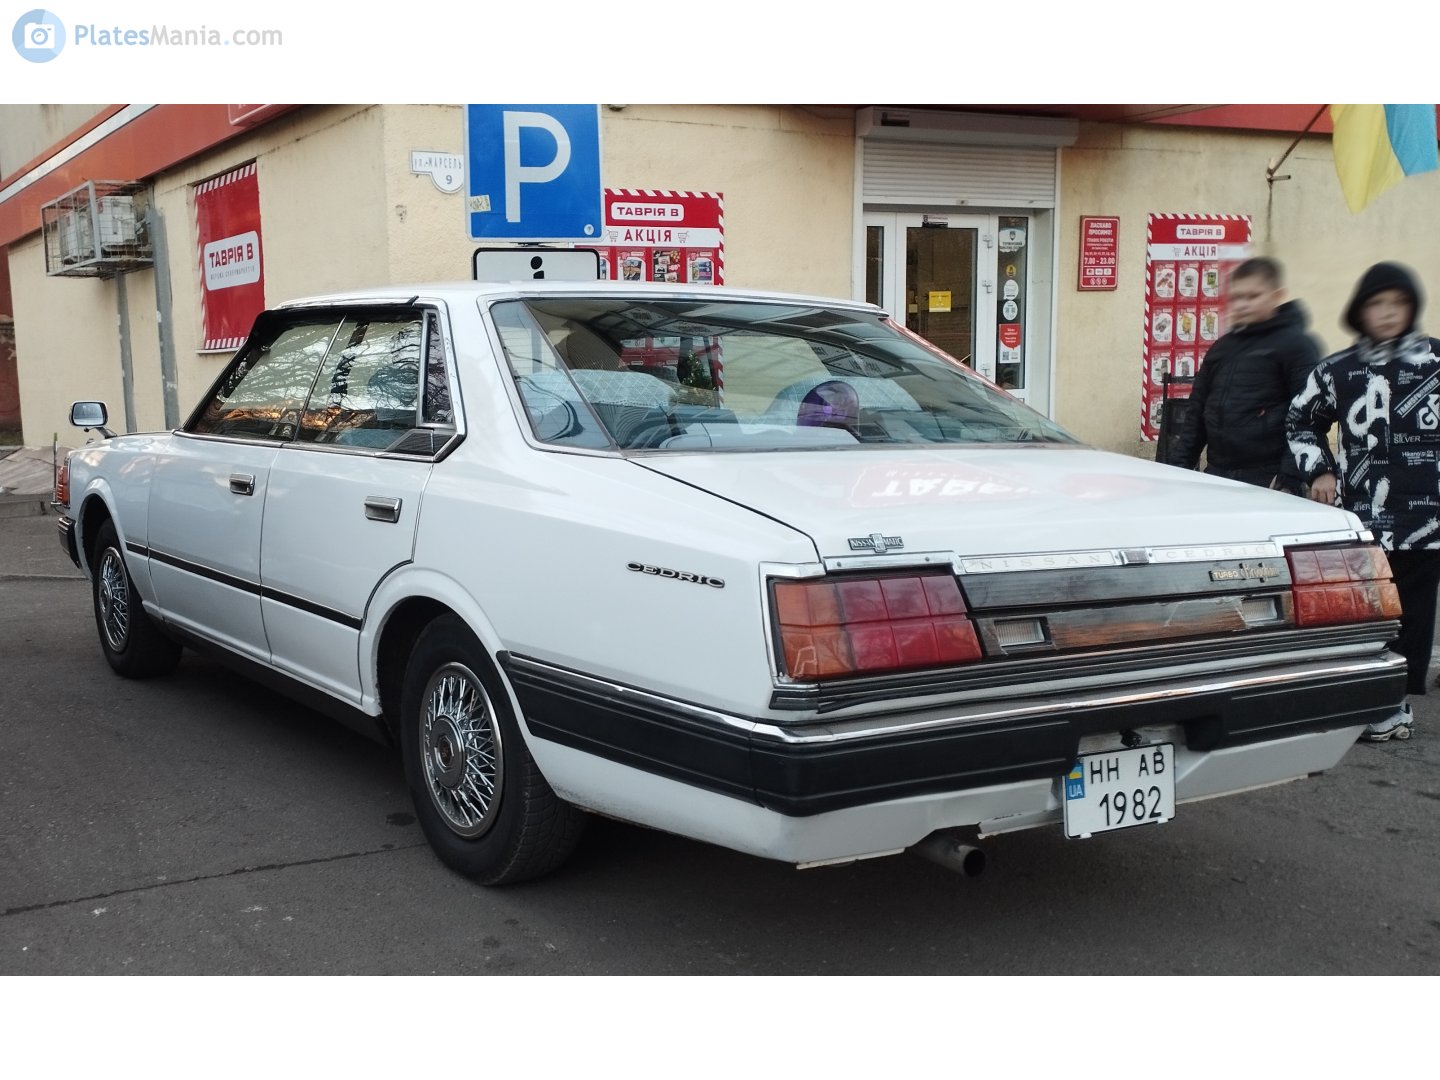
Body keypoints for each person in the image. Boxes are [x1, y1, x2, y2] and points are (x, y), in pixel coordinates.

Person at [1287, 261, 1440, 741]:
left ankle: (1394, 702)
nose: (1389, 313)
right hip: (1363, 517)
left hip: (1426, 517)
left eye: (1398, 303)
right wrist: (1321, 469)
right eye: (1377, 303)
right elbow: (1300, 420)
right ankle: (1365, 694)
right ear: (1360, 311)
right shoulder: (1338, 370)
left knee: (1412, 613)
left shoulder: (1436, 362)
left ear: (1412, 307)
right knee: (1367, 610)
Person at [1165, 257, 1322, 492]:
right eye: (1237, 297)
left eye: (1253, 296)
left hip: (1269, 478)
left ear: (1277, 296)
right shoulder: (1221, 348)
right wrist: (1178, 469)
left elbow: (1307, 416)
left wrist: (1288, 477)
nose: (1243, 304)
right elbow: (1196, 413)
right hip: (1217, 473)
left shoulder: (1297, 346)